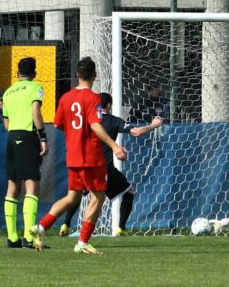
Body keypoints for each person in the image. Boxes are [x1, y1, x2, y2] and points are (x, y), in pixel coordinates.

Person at [29, 57, 127, 254]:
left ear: (77, 75)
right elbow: (95, 125)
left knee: (72, 197)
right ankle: (83, 242)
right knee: (98, 196)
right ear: (94, 75)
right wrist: (115, 145)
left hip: (73, 156)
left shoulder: (65, 98)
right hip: (90, 156)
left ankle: (39, 228)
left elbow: (58, 124)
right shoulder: (93, 99)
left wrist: (75, 135)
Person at [59, 92, 163, 237]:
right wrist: (154, 125)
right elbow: (137, 132)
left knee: (78, 194)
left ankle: (66, 224)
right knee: (129, 191)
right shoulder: (114, 121)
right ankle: (120, 228)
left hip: (84, 164)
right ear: (109, 105)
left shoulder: (88, 120)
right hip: (103, 167)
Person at [1, 58, 48, 248]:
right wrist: (43, 137)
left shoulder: (8, 91)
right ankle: (29, 238)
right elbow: (35, 109)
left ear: (17, 73)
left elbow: (6, 121)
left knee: (13, 186)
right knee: (32, 186)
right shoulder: (35, 87)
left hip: (12, 137)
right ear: (34, 73)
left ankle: (12, 238)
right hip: (27, 136)